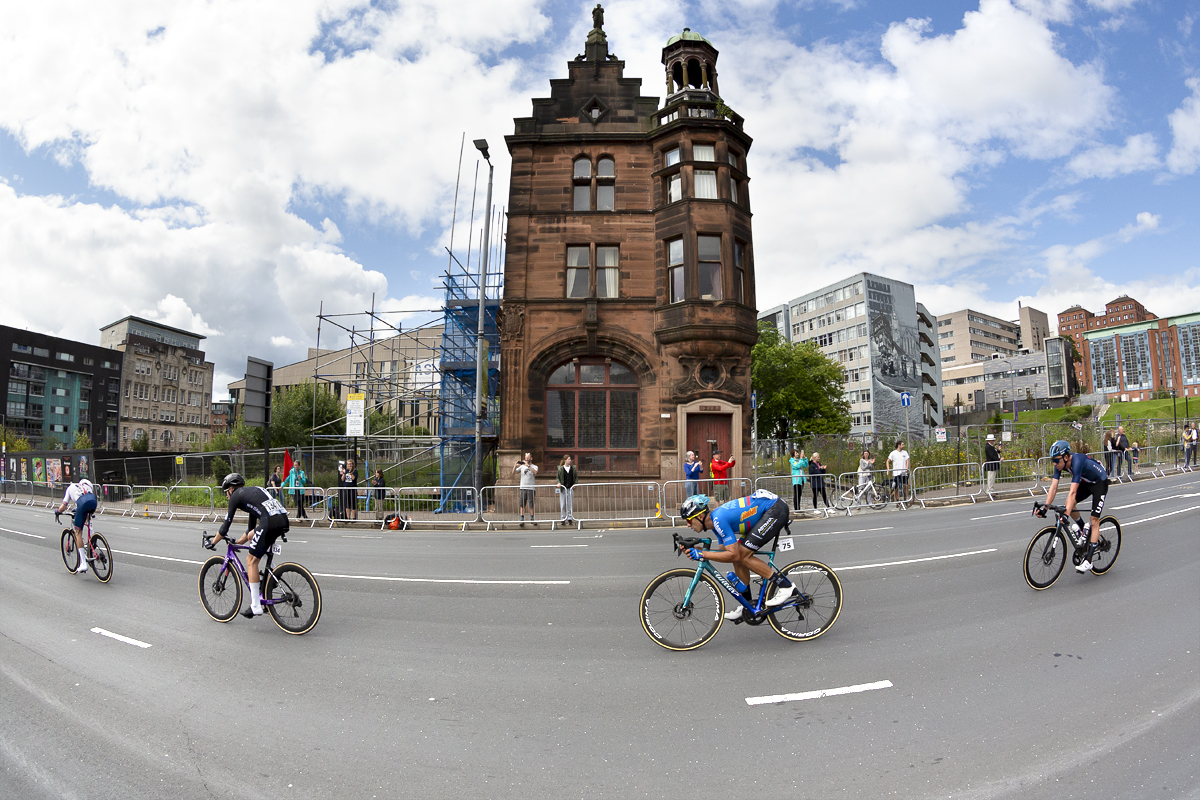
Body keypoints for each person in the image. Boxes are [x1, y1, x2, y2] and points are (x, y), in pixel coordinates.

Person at [678, 491, 799, 621]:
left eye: (689, 520)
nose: (688, 525)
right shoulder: (715, 523)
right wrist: (698, 549)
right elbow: (724, 551)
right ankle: (747, 605)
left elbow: (733, 554)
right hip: (768, 510)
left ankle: (786, 586)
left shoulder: (719, 519)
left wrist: (702, 554)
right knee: (738, 556)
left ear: (700, 516)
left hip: (774, 509)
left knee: (742, 555)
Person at [206, 473, 291, 617]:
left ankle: (255, 606)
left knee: (250, 561)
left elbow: (225, 527)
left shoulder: (235, 496)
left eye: (226, 492)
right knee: (254, 539)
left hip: (270, 521)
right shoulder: (252, 493)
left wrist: (212, 542)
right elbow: (251, 530)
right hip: (282, 519)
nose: (227, 496)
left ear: (231, 489)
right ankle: (273, 575)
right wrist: (238, 542)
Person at [1038, 440, 1109, 573]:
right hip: (1086, 482)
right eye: (1053, 460)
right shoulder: (1059, 464)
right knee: (1068, 506)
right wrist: (1044, 509)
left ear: (1066, 457)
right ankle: (1083, 531)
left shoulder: (1077, 462)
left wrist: (1065, 515)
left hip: (1100, 482)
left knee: (1094, 520)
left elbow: (1072, 492)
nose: (1054, 463)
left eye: (1056, 460)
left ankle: (1088, 561)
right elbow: (1053, 488)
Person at [54, 478, 97, 574]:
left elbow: (63, 506)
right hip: (93, 501)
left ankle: (83, 563)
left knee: (78, 532)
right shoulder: (87, 486)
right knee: (87, 520)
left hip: (82, 503)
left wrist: (58, 511)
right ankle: (93, 542)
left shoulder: (70, 488)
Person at [513, 453, 538, 525]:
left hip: (531, 488)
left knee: (531, 504)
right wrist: (515, 465)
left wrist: (528, 466)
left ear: (531, 458)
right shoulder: (522, 466)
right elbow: (514, 472)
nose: (526, 460)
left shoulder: (534, 466)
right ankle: (522, 519)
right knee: (522, 504)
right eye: (525, 458)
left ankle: (532, 518)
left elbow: (535, 472)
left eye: (528, 458)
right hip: (523, 487)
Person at [556, 455, 578, 523]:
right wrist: (558, 483)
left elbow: (576, 478)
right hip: (563, 488)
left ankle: (569, 517)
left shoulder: (572, 469)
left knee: (570, 504)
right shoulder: (561, 469)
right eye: (568, 459)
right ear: (565, 460)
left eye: (570, 459)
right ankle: (563, 518)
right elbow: (557, 477)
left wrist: (575, 484)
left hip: (570, 488)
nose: (570, 460)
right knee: (562, 504)